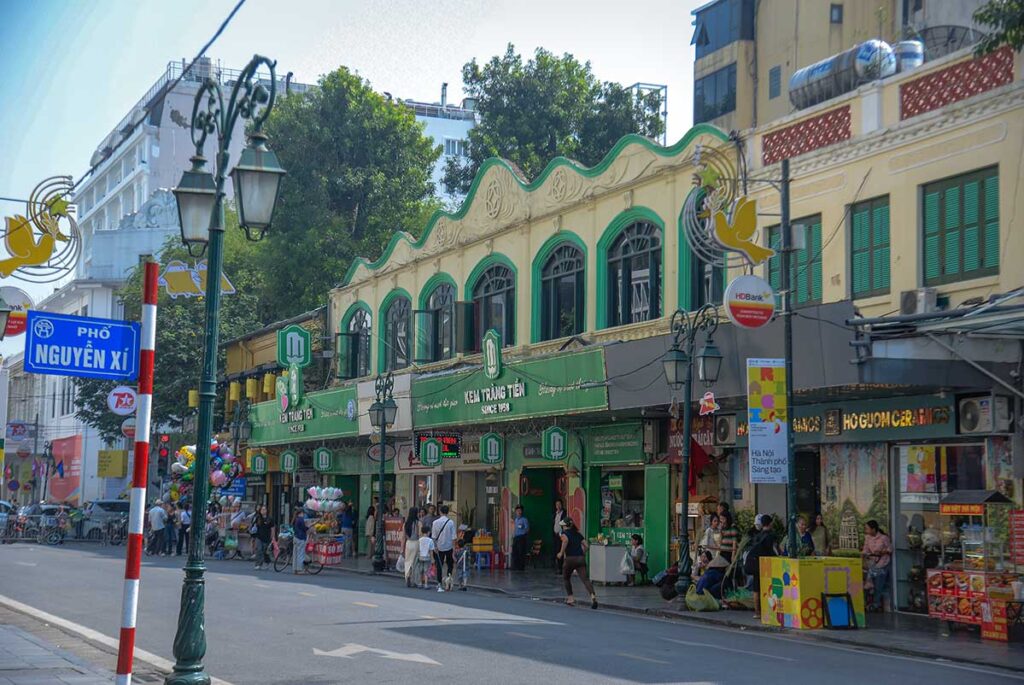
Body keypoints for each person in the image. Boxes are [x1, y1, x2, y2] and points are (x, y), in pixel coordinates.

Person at [556, 518, 597, 609]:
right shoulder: (578, 534)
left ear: (565, 526)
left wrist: (561, 553)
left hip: (570, 559)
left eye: (562, 525)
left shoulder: (564, 534)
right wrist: (582, 553)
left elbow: (565, 541)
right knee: (585, 579)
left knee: (566, 578)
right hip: (580, 558)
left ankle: (570, 598)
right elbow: (586, 546)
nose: (562, 527)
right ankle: (593, 596)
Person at [744, 514, 779, 618]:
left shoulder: (758, 536)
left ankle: (757, 612)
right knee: (768, 587)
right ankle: (768, 610)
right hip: (765, 564)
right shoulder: (771, 536)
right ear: (771, 523)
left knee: (756, 588)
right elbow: (773, 550)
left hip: (754, 562)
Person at [862, 519, 892, 612]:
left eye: (867, 529)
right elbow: (865, 549)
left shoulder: (884, 538)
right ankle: (866, 603)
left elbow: (890, 549)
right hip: (872, 564)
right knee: (868, 585)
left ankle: (876, 604)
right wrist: (864, 555)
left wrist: (883, 551)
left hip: (882, 563)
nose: (866, 531)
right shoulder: (867, 538)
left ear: (873, 529)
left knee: (878, 586)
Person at [431, 504, 456, 591]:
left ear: (440, 512)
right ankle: (448, 582)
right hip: (449, 547)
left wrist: (434, 547)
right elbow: (453, 538)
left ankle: (439, 583)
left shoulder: (435, 523)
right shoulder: (451, 522)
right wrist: (454, 550)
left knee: (439, 565)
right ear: (448, 512)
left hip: (438, 547)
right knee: (450, 565)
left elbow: (433, 537)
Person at [403, 507, 420, 587]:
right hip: (416, 542)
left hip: (408, 543)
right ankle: (414, 580)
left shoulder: (406, 523)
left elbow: (403, 536)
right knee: (415, 562)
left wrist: (401, 548)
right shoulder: (418, 523)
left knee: (408, 561)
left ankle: (407, 576)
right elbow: (419, 534)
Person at [251, 505, 273, 569]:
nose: (263, 511)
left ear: (267, 511)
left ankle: (267, 562)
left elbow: (272, 528)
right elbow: (254, 525)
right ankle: (258, 564)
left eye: (264, 510)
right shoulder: (258, 517)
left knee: (265, 551)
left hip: (266, 537)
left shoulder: (270, 519)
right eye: (262, 510)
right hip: (259, 536)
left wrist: (272, 537)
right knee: (259, 550)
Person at [511, 505, 530, 571]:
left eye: (520, 510)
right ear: (516, 512)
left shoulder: (524, 520)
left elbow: (527, 529)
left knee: (521, 552)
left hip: (521, 537)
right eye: (518, 511)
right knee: (514, 552)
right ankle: (514, 566)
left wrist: (523, 529)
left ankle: (521, 567)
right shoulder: (515, 520)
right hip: (516, 537)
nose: (519, 512)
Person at [292, 508, 309, 574]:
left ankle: (295, 569)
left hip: (295, 537)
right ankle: (299, 569)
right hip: (301, 538)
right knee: (300, 554)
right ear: (301, 513)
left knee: (295, 554)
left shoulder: (295, 519)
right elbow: (304, 529)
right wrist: (309, 526)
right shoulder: (301, 520)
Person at [552, 499, 567, 572]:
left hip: (561, 534)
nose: (558, 506)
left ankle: (560, 568)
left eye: (559, 504)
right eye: (557, 504)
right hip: (555, 534)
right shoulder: (555, 514)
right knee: (556, 550)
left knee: (561, 550)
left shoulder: (564, 513)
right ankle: (557, 566)